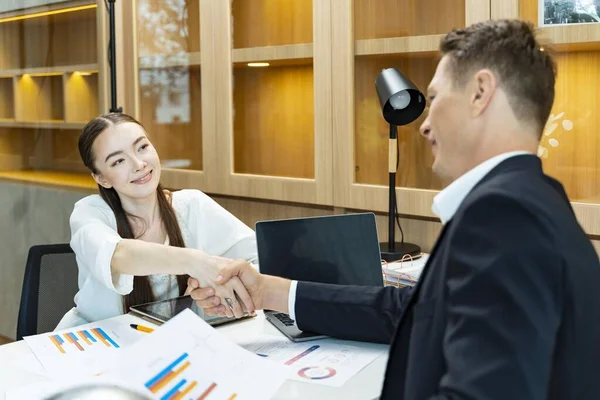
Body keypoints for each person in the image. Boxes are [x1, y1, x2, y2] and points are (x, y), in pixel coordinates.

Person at [188, 19, 600, 399]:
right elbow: (409, 311)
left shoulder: (504, 221)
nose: (423, 123)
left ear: (480, 92)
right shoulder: (532, 203)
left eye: (435, 97)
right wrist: (268, 291)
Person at [56, 113, 256, 330]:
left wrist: (216, 286)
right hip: (94, 341)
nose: (139, 164)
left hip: (168, 342)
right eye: (118, 161)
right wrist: (197, 262)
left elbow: (258, 256)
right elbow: (119, 256)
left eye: (142, 147)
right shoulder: (89, 213)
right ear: (101, 178)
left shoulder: (192, 205)